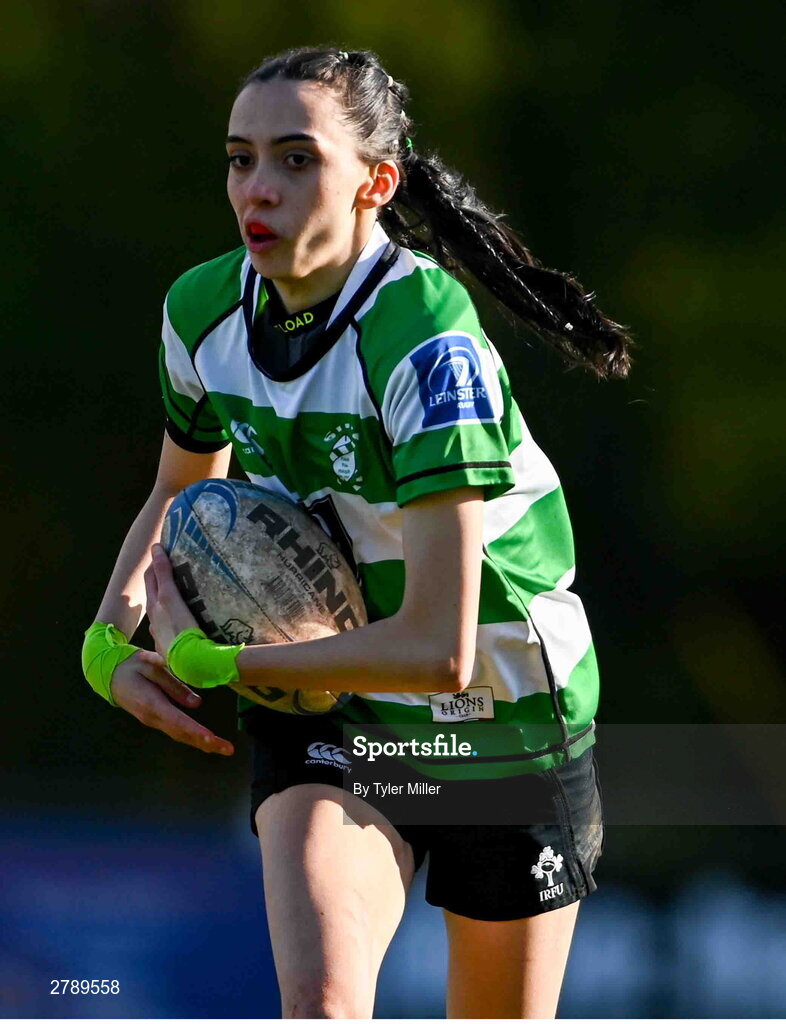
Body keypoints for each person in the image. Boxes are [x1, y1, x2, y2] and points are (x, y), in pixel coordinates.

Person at [82, 46, 632, 1019]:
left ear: (377, 182)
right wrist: (107, 642)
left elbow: (440, 650)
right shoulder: (200, 311)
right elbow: (178, 488)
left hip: (502, 725)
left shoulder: (424, 339)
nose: (259, 187)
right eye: (240, 158)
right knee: (323, 1004)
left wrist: (222, 665)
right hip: (333, 710)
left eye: (297, 159)